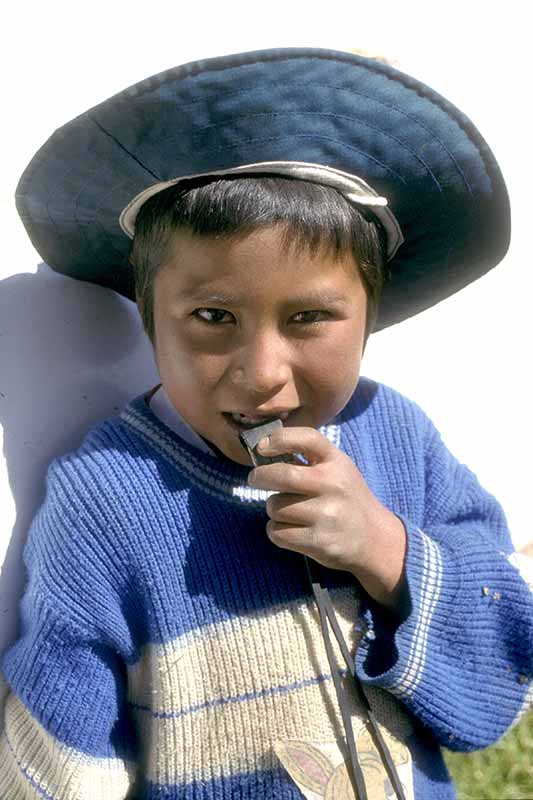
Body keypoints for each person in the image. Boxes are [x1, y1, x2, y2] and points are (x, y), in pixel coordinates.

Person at [1, 47, 532, 800]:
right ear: (150, 317)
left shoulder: (399, 438)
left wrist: (387, 553)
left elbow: (495, 686)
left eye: (309, 317)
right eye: (212, 317)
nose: (262, 372)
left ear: (369, 318)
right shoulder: (104, 500)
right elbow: (61, 756)